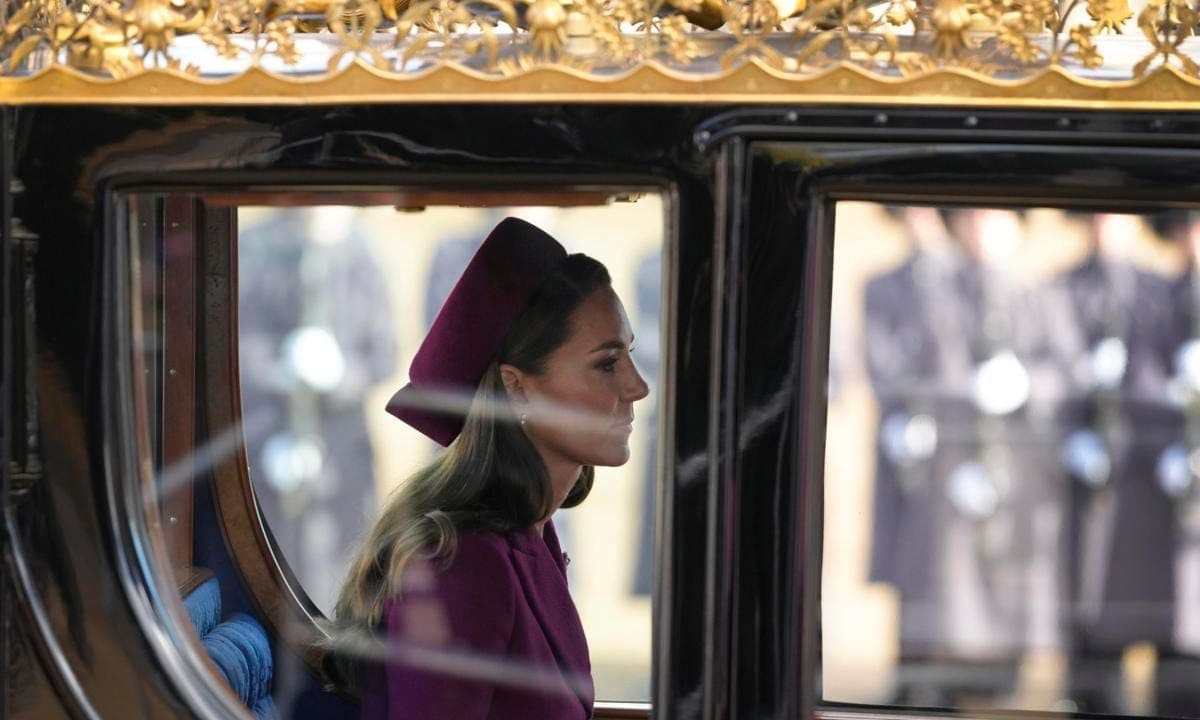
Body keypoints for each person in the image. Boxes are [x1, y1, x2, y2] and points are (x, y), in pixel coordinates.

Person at [329, 217, 650, 720]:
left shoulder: (532, 535)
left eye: (628, 355)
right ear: (517, 387)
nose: (637, 387)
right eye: (607, 364)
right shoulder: (459, 562)